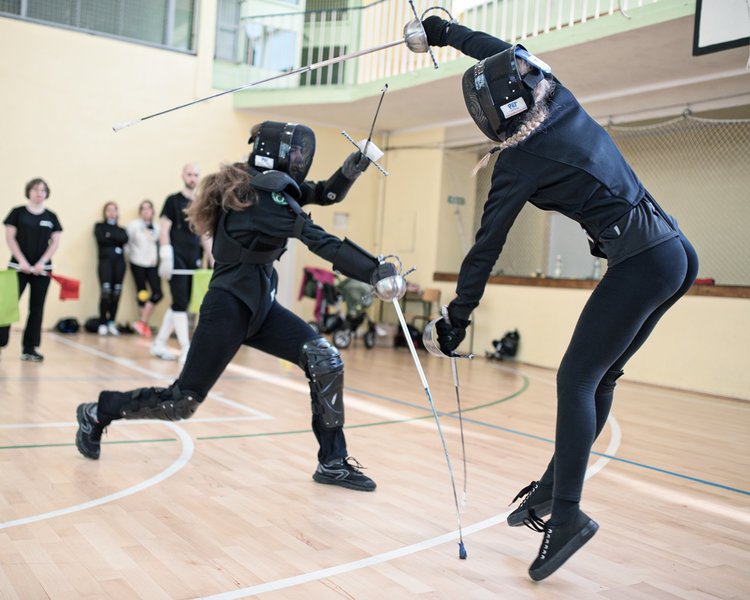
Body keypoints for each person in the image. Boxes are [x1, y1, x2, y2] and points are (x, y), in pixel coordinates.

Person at [421, 18, 699, 580]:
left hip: (643, 261)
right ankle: (552, 492)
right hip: (674, 250)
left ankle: (567, 515)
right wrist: (446, 32)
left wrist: (456, 318)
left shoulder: (518, 162)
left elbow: (485, 246)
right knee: (600, 378)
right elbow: (507, 54)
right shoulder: (558, 95)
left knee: (575, 379)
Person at [75, 121, 390, 492]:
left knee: (324, 359)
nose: (300, 159)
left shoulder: (262, 188)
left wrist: (354, 166)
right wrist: (374, 271)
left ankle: (333, 463)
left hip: (260, 304)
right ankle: (98, 412)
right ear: (274, 152)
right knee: (181, 402)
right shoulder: (260, 197)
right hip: (227, 306)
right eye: (295, 152)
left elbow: (324, 194)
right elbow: (317, 239)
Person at [150, 163, 211, 363]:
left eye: (196, 175)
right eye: (189, 174)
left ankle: (159, 342)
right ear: (182, 175)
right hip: (175, 257)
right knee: (180, 303)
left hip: (193, 258)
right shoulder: (172, 200)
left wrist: (212, 258)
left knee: (180, 303)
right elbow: (164, 229)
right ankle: (186, 347)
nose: (192, 178)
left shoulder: (201, 203)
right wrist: (166, 254)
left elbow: (204, 235)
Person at [1, 178, 62, 361]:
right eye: (35, 189)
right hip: (18, 267)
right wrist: (23, 262)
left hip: (42, 271)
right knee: (6, 306)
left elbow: (55, 242)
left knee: (36, 308)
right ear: (29, 191)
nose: (39, 193)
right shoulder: (17, 213)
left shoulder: (51, 217)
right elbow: (10, 238)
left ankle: (29, 349)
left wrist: (41, 262)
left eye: (43, 190)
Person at [125, 200, 162, 337]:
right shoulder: (134, 226)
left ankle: (142, 321)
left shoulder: (157, 227)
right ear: (140, 212)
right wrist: (131, 257)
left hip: (152, 263)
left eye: (149, 208)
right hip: (137, 262)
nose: (146, 211)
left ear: (153, 211)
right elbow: (127, 244)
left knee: (157, 293)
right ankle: (143, 325)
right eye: (143, 208)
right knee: (142, 293)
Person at [94, 201, 128, 336]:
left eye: (114, 210)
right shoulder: (99, 226)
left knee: (117, 292)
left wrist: (111, 236)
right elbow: (101, 239)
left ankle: (111, 322)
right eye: (109, 210)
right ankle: (102, 321)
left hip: (119, 264)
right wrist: (115, 240)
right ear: (105, 212)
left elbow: (124, 238)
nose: (111, 212)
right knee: (106, 291)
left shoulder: (122, 230)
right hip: (105, 263)